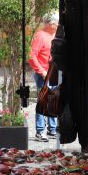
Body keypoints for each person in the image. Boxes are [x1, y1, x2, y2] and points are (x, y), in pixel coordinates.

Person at [29, 11, 59, 142]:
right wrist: (42, 72)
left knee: (53, 100)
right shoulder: (40, 36)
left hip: (53, 73)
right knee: (43, 101)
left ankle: (52, 129)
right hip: (44, 75)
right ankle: (40, 132)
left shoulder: (55, 35)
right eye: (57, 23)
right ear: (51, 24)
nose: (58, 25)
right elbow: (32, 56)